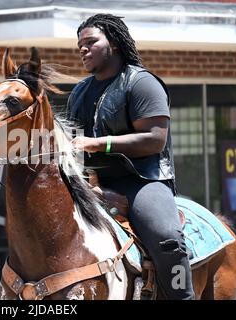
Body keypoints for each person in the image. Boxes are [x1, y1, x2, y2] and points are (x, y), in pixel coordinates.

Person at [68, 13, 194, 299]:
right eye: (79, 46)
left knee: (167, 238)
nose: (83, 50)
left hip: (143, 181)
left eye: (90, 42)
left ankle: (181, 295)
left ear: (113, 42)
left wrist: (99, 144)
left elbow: (154, 139)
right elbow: (74, 141)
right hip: (92, 183)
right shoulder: (79, 91)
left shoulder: (141, 83)